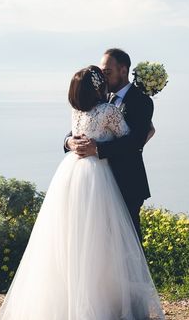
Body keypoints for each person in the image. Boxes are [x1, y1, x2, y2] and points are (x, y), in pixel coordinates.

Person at [0, 65, 165, 320]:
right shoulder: (108, 109)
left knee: (77, 238)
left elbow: (79, 133)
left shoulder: (76, 109)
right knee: (107, 242)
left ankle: (78, 301)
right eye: (102, 75)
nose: (106, 78)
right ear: (98, 86)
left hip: (72, 176)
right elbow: (130, 139)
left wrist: (74, 142)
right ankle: (111, 305)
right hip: (98, 177)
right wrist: (148, 132)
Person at [65, 48, 155, 241]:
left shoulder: (142, 102)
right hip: (97, 184)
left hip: (126, 181)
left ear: (123, 71)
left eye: (107, 72)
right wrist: (69, 141)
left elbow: (135, 141)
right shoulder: (100, 97)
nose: (103, 78)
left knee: (128, 241)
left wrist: (97, 149)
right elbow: (81, 128)